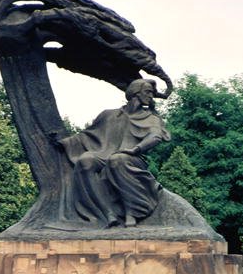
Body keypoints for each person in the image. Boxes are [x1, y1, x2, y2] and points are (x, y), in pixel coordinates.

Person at [51, 79, 170, 227]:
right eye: (148, 92)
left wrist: (136, 149)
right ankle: (107, 213)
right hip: (104, 153)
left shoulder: (151, 119)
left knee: (117, 160)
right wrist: (64, 142)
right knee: (85, 160)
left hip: (133, 157)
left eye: (152, 93)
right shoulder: (108, 115)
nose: (151, 96)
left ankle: (131, 212)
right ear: (135, 93)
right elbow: (87, 134)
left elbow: (155, 136)